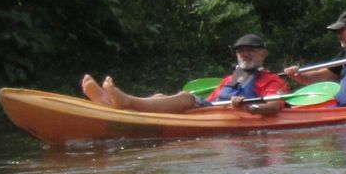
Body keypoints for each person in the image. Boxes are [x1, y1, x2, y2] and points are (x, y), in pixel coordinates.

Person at [81, 33, 289, 115]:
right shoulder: (229, 79)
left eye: (250, 50)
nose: (245, 54)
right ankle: (110, 102)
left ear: (263, 54)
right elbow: (208, 102)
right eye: (241, 51)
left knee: (187, 97)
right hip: (213, 111)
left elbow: (273, 106)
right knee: (164, 96)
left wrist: (249, 107)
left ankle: (126, 102)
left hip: (234, 114)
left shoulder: (272, 80)